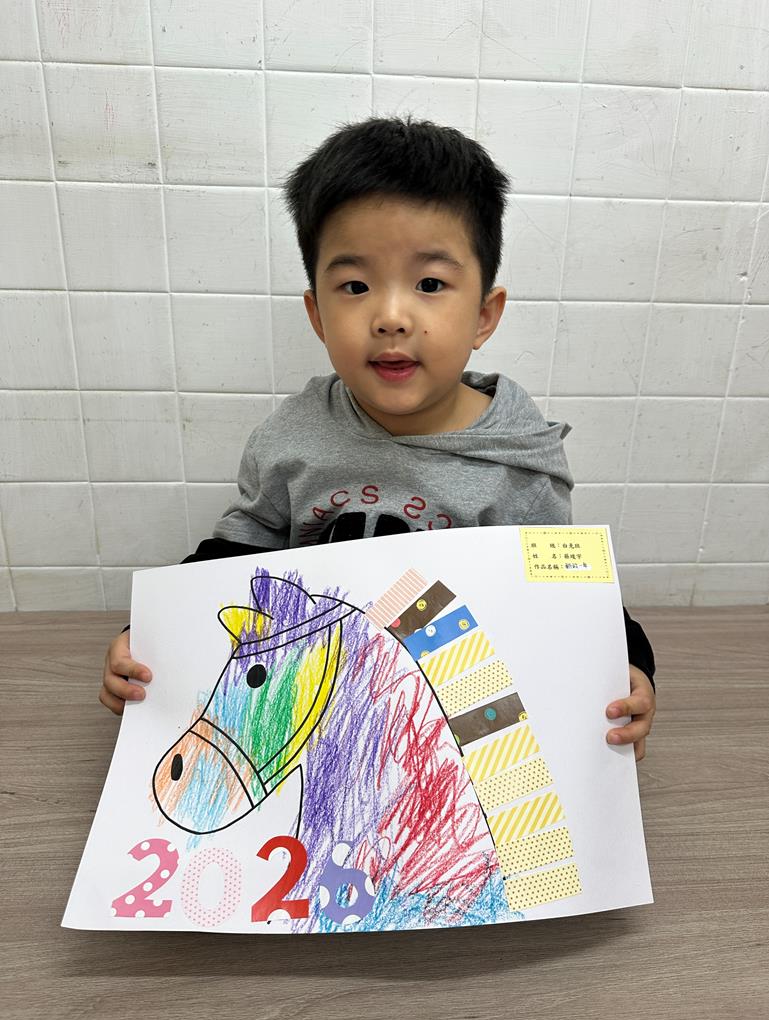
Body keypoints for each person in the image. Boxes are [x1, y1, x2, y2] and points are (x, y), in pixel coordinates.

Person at [100, 115, 656, 759]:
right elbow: (235, 558)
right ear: (317, 313)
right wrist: (153, 636)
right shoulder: (291, 438)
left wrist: (630, 666)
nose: (391, 316)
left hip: (454, 725)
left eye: (430, 284)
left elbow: (567, 599)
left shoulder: (519, 465)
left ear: (484, 315)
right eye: (356, 286)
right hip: (313, 712)